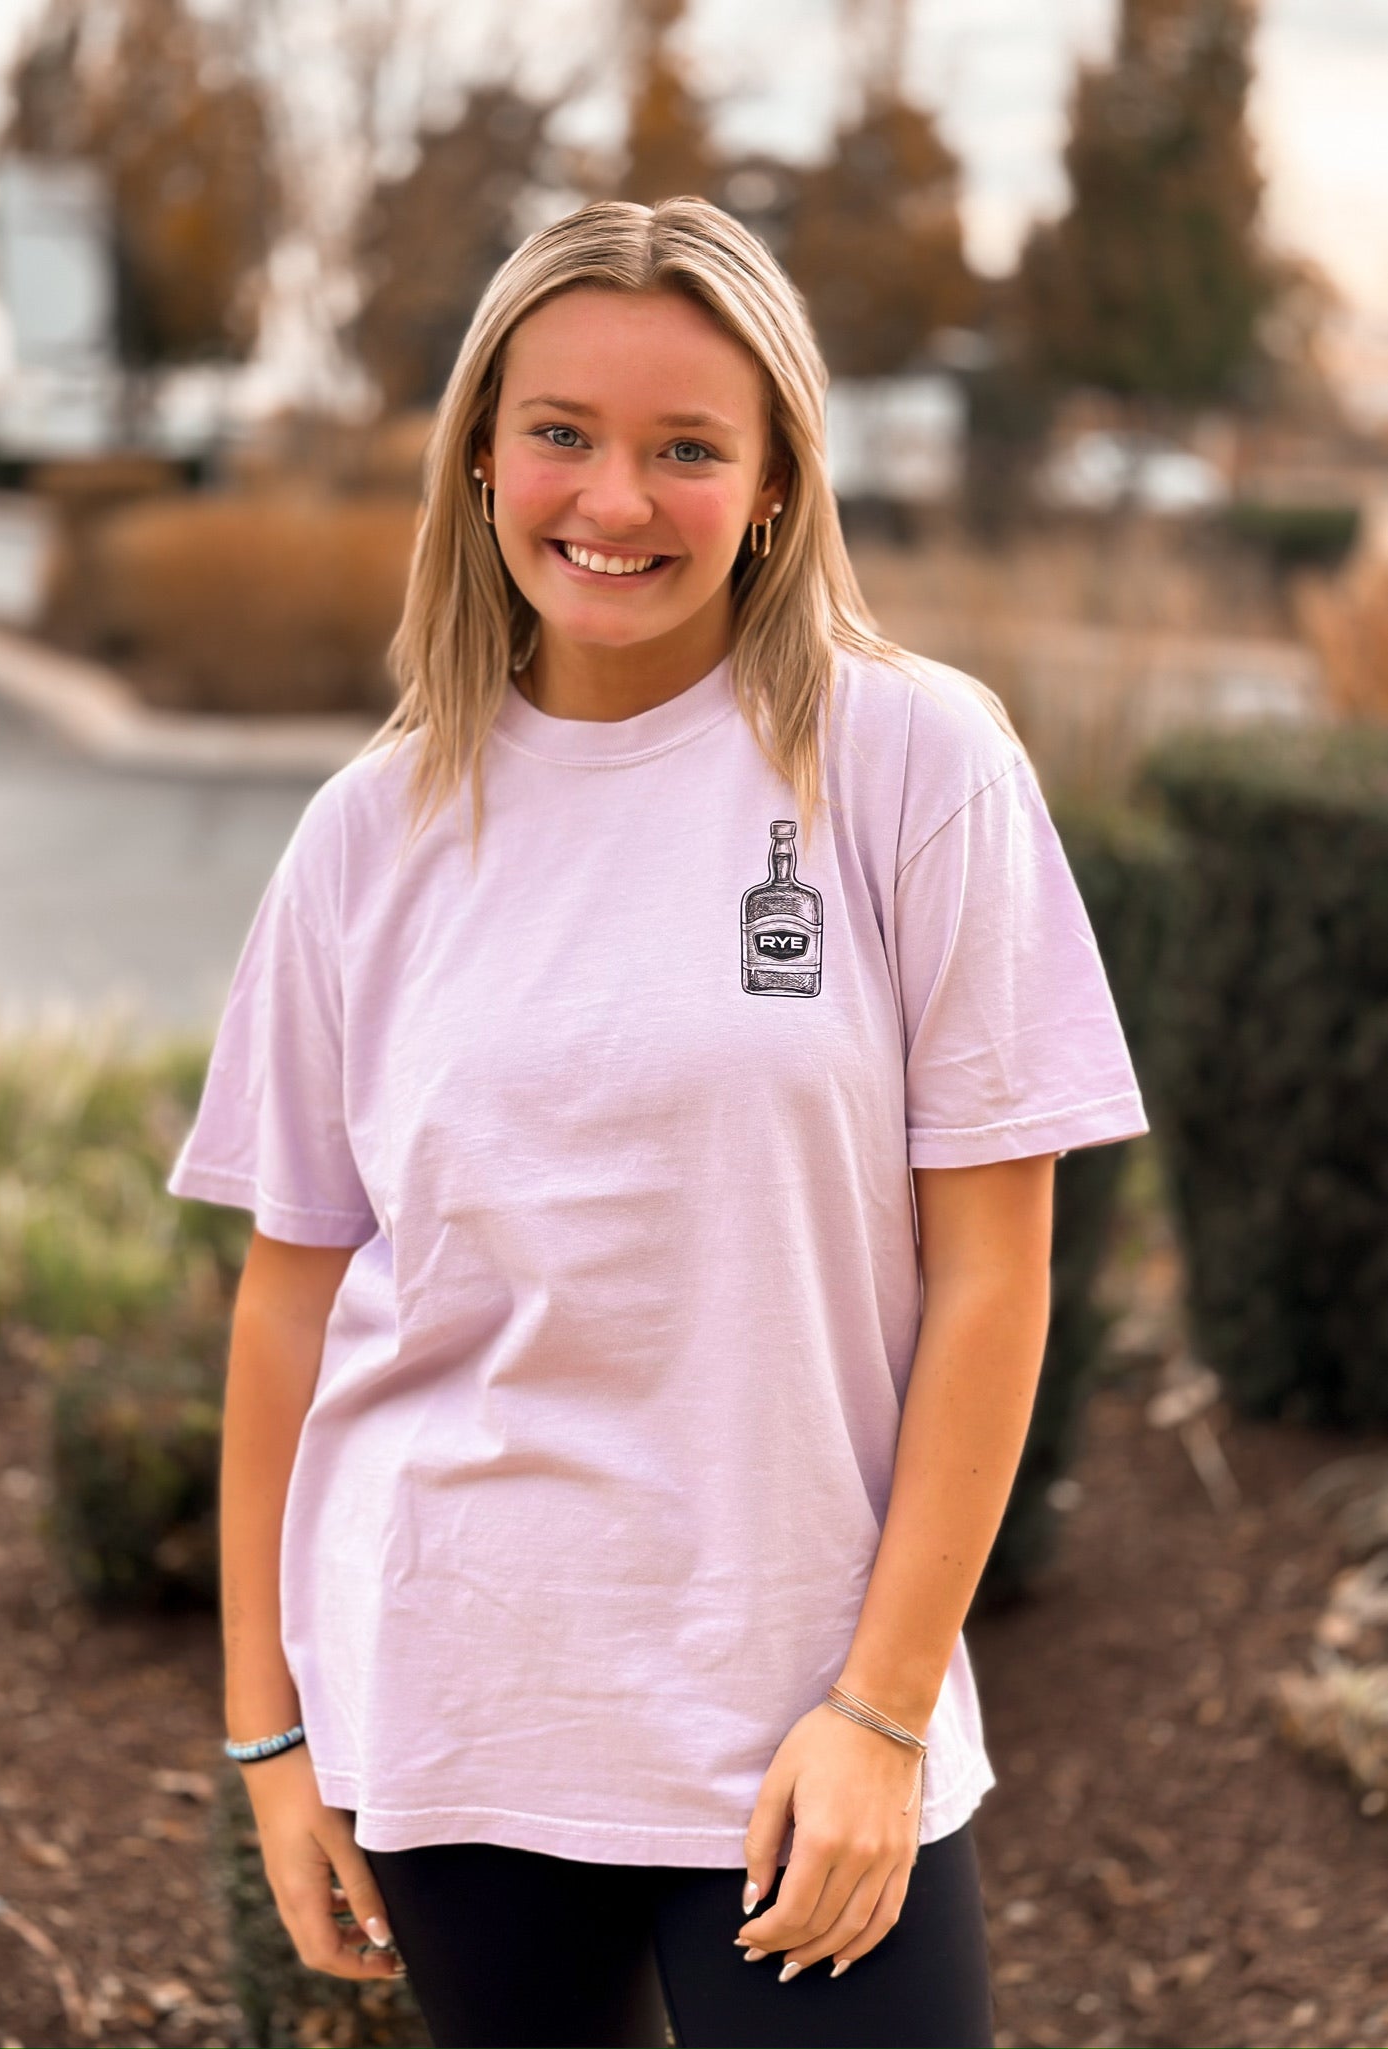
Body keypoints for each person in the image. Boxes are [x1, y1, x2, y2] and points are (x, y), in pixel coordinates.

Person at [165, 195, 1149, 2049]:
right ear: (477, 459)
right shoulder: (367, 840)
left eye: (686, 447)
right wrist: (269, 1731)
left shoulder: (916, 769)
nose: (613, 499)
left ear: (774, 479)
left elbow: (994, 1277)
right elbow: (290, 1301)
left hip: (803, 1711)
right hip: (465, 1691)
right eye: (561, 433)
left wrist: (877, 1705)